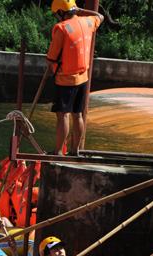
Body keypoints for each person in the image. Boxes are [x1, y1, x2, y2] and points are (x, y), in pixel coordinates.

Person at [46, 0, 103, 156]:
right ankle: (75, 150)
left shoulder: (61, 29)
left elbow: (51, 57)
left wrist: (51, 63)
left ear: (60, 12)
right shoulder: (88, 22)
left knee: (62, 115)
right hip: (83, 78)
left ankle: (58, 152)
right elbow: (100, 15)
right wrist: (80, 10)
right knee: (77, 115)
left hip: (65, 79)